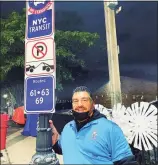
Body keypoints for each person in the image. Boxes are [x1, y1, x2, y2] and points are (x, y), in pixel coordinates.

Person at [50, 86, 138, 164]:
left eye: (84, 100)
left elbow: (126, 161)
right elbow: (66, 149)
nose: (79, 104)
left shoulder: (109, 128)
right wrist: (55, 143)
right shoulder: (67, 128)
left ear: (93, 104)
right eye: (75, 101)